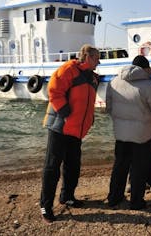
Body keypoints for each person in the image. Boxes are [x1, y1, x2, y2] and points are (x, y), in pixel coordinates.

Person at [39, 44, 101, 223]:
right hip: (60, 127)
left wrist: (89, 119)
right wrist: (66, 113)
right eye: (96, 58)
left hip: (77, 129)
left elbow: (88, 102)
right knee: (52, 167)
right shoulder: (68, 69)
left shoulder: (93, 78)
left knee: (73, 164)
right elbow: (54, 90)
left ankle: (67, 196)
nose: (99, 62)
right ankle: (45, 205)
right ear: (88, 57)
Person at [106, 55, 151, 210]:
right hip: (142, 135)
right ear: (146, 69)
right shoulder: (149, 85)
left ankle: (114, 198)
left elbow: (109, 108)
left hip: (121, 133)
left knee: (120, 166)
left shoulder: (114, 82)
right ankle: (136, 202)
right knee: (138, 168)